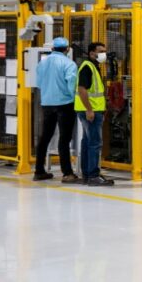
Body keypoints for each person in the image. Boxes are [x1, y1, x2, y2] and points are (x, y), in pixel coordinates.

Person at [32, 37, 80, 183]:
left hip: (47, 103)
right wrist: (74, 99)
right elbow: (71, 84)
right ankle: (67, 173)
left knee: (45, 136)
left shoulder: (42, 63)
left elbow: (39, 83)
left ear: (52, 49)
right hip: (65, 103)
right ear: (67, 49)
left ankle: (39, 170)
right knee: (64, 139)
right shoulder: (69, 63)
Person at [75, 42, 114, 186]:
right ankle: (93, 175)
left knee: (87, 142)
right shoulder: (87, 67)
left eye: (105, 51)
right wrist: (89, 109)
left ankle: (87, 174)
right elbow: (81, 89)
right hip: (90, 111)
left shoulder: (93, 66)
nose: (104, 54)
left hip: (90, 110)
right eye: (101, 51)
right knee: (94, 144)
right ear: (92, 53)